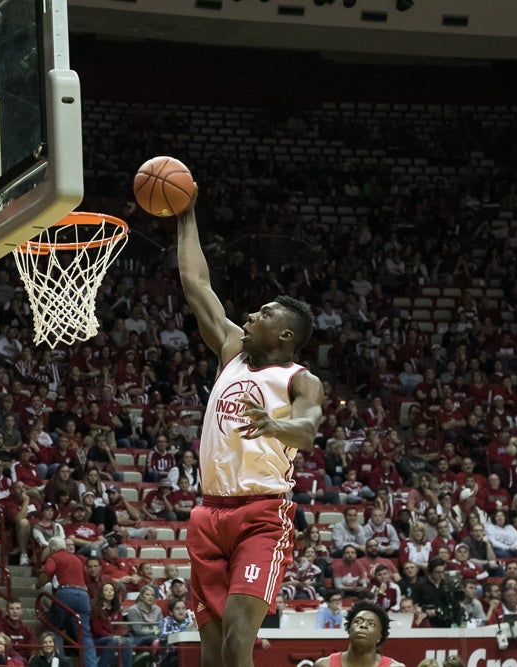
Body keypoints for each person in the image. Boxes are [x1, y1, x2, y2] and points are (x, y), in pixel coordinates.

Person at [177, 189, 324, 667]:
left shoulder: (299, 380)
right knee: (211, 652)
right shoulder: (230, 351)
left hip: (260, 513)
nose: (249, 316)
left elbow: (307, 430)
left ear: (284, 335)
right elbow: (194, 281)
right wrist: (186, 212)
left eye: (261, 315)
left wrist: (276, 428)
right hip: (208, 514)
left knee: (239, 640)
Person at [39, 536, 96, 667]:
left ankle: (59, 663)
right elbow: (87, 578)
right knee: (85, 634)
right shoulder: (77, 559)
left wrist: (38, 585)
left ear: (52, 548)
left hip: (66, 592)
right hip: (83, 595)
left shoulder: (54, 557)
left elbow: (47, 572)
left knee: (55, 628)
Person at [313, 599, 406, 667]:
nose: (363, 625)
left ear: (379, 637)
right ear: (349, 630)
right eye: (358, 621)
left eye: (371, 624)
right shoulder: (324, 665)